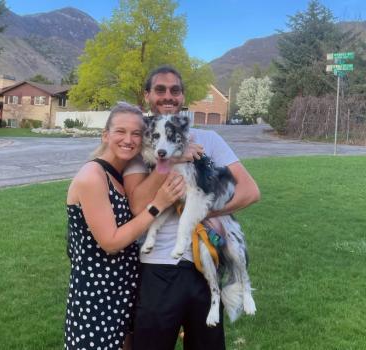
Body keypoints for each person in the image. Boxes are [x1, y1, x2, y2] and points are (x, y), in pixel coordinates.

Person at [123, 66, 261, 350]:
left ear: (183, 96)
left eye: (175, 90)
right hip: (157, 268)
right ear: (147, 95)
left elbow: (250, 192)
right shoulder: (139, 148)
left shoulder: (209, 140)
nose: (168, 96)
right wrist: (172, 159)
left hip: (204, 262)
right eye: (160, 89)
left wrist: (201, 212)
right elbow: (138, 206)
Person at [64, 102, 186, 350]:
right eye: (121, 131)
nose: (128, 140)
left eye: (136, 134)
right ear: (105, 134)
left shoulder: (119, 176)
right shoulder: (92, 176)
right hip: (96, 298)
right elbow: (110, 242)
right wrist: (157, 205)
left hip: (125, 290)